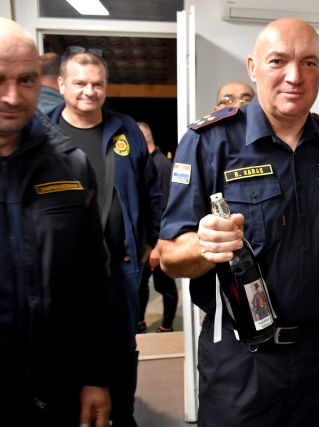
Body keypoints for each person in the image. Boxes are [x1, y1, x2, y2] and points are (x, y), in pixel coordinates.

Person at [157, 18, 319, 427]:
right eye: (277, 61)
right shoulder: (208, 141)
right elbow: (168, 256)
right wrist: (205, 246)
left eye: (308, 63)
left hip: (318, 357)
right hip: (241, 360)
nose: (294, 76)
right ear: (253, 67)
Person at [0, 17, 110, 426]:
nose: (12, 96)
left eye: (26, 80)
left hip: (55, 385)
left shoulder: (70, 165)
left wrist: (96, 375)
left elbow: (93, 279)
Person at [48, 47, 162, 426]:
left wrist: (151, 240)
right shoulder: (43, 133)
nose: (89, 91)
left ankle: (124, 414)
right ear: (61, 84)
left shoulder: (126, 129)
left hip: (122, 268)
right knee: (67, 350)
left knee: (122, 348)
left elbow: (151, 191)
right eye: (80, 83)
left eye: (97, 84)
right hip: (63, 275)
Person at [137, 121, 178, 333]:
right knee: (141, 285)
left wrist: (156, 247)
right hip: (148, 241)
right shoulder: (148, 163)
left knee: (165, 286)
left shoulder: (160, 165)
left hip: (159, 242)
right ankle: (140, 322)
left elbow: (164, 209)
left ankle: (166, 326)